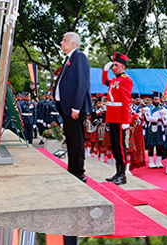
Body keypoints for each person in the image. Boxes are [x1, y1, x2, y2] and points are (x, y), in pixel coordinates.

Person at [54, 32, 92, 183]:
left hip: (74, 109)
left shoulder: (79, 57)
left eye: (64, 40)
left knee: (76, 141)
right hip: (66, 108)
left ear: (73, 43)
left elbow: (82, 84)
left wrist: (76, 107)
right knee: (70, 141)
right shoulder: (69, 59)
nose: (61, 43)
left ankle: (79, 173)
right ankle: (72, 169)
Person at [101, 52, 133, 185]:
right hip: (112, 116)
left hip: (120, 117)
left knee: (120, 147)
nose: (113, 66)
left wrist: (126, 121)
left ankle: (122, 175)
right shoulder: (114, 80)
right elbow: (105, 82)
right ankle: (117, 172)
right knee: (114, 146)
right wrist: (105, 71)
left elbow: (126, 102)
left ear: (123, 66)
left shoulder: (126, 80)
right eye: (113, 64)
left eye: (115, 64)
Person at [144, 92, 166, 168]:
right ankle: (151, 162)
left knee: (160, 146)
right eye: (155, 99)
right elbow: (148, 118)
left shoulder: (162, 108)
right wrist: (159, 119)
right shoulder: (147, 109)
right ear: (152, 99)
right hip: (152, 127)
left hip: (160, 128)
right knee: (151, 146)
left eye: (158, 99)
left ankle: (158, 161)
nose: (157, 101)